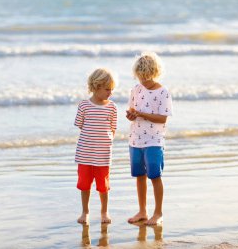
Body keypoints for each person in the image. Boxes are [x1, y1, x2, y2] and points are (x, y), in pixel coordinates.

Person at [126, 52, 172, 225]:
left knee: (155, 176)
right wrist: (131, 115)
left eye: (146, 77)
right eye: (140, 77)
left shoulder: (163, 92)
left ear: (154, 73)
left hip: (154, 140)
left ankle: (158, 213)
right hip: (135, 139)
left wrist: (142, 114)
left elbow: (163, 118)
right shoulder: (136, 89)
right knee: (139, 176)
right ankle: (142, 211)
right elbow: (132, 111)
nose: (143, 81)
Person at [74, 68, 118, 224]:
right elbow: (80, 125)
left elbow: (113, 128)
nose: (110, 92)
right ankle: (85, 212)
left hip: (103, 155)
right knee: (84, 184)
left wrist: (106, 140)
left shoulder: (112, 107)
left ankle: (104, 212)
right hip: (85, 154)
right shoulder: (84, 106)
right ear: (96, 86)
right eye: (107, 89)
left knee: (103, 186)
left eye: (112, 89)